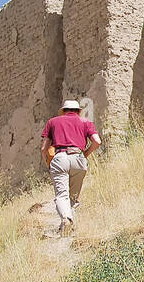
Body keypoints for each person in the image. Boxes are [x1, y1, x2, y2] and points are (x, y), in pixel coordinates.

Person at [40, 100, 101, 236]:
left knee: (62, 195)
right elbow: (97, 141)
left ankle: (66, 219)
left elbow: (44, 148)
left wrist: (48, 162)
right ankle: (69, 227)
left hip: (60, 157)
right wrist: (85, 154)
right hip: (79, 158)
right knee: (73, 196)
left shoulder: (53, 122)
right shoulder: (86, 122)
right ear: (78, 111)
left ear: (64, 111)